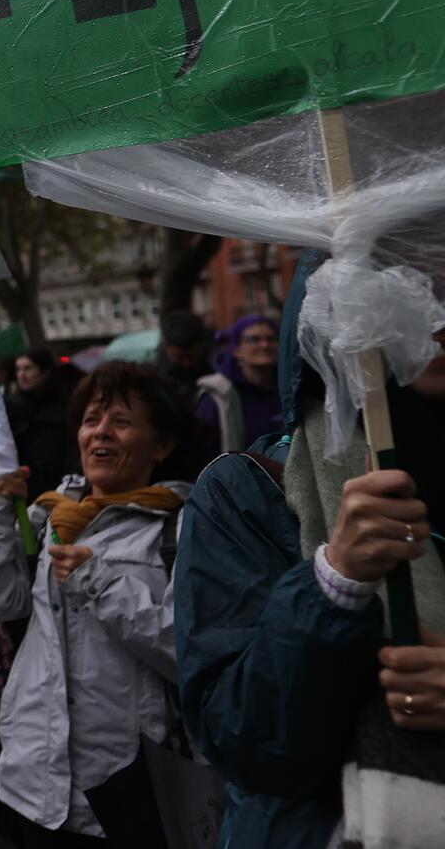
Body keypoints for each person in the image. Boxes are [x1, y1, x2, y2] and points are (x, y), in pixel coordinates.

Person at [175, 253, 445, 848]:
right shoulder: (245, 491)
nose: (437, 309)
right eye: (411, 280)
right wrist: (334, 580)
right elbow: (244, 739)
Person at [0, 362, 200, 846]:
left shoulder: (183, 528)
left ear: (161, 445)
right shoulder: (49, 514)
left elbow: (188, 652)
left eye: (121, 421)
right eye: (92, 419)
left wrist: (98, 581)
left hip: (129, 783)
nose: (101, 433)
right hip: (36, 782)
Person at [195, 314, 283, 452]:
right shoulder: (219, 395)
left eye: (271, 339)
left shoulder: (289, 389)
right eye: (254, 340)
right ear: (236, 350)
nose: (265, 345)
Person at [8, 348, 81, 498]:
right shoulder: (12, 409)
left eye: (28, 368)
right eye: (18, 369)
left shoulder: (62, 406)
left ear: (44, 372)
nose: (22, 375)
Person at [154, 310, 211, 403]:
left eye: (193, 356)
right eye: (179, 356)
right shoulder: (158, 376)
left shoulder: (216, 365)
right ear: (165, 346)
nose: (186, 363)